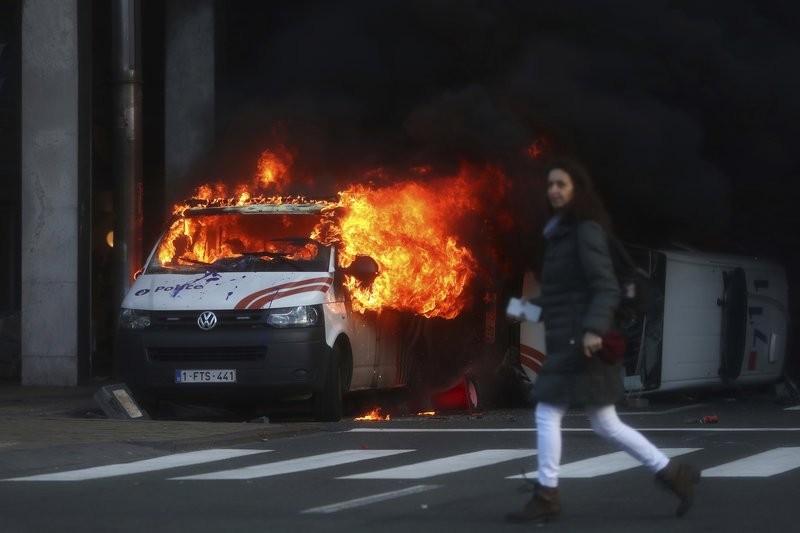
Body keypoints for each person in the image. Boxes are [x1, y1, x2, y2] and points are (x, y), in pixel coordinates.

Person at [505, 158, 700, 522]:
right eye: (551, 185)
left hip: (583, 344)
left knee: (549, 413)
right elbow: (562, 297)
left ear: (578, 189)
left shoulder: (585, 232)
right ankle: (674, 474)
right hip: (572, 340)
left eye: (562, 184)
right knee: (605, 423)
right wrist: (524, 309)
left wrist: (594, 328)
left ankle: (547, 496)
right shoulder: (560, 235)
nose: (555, 190)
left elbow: (605, 285)